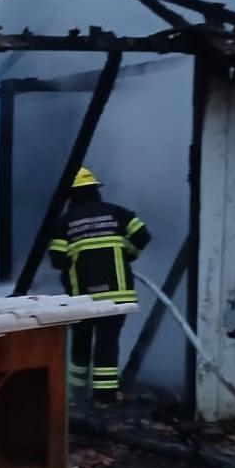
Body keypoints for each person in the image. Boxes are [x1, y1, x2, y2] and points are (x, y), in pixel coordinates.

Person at [49, 167, 150, 405]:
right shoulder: (117, 213)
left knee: (81, 344)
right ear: (95, 190)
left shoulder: (65, 222)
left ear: (71, 195)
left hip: (82, 298)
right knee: (107, 342)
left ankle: (76, 394)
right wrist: (129, 254)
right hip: (117, 293)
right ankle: (104, 396)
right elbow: (143, 235)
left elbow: (57, 260)